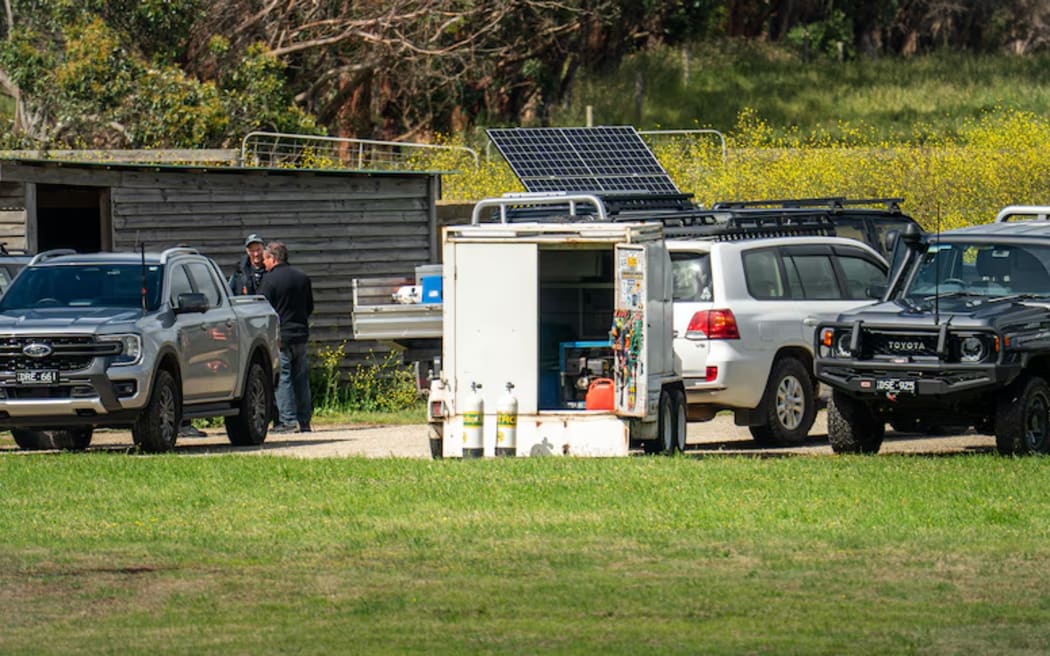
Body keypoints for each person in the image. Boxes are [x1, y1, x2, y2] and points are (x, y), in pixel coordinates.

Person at [257, 241, 314, 433]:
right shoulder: (302, 277)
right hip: (301, 334)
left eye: (265, 259)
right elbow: (309, 307)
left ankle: (288, 421)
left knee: (283, 379)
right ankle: (305, 422)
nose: (263, 263)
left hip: (281, 337)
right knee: (302, 379)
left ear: (273, 258)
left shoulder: (269, 280)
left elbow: (264, 310)